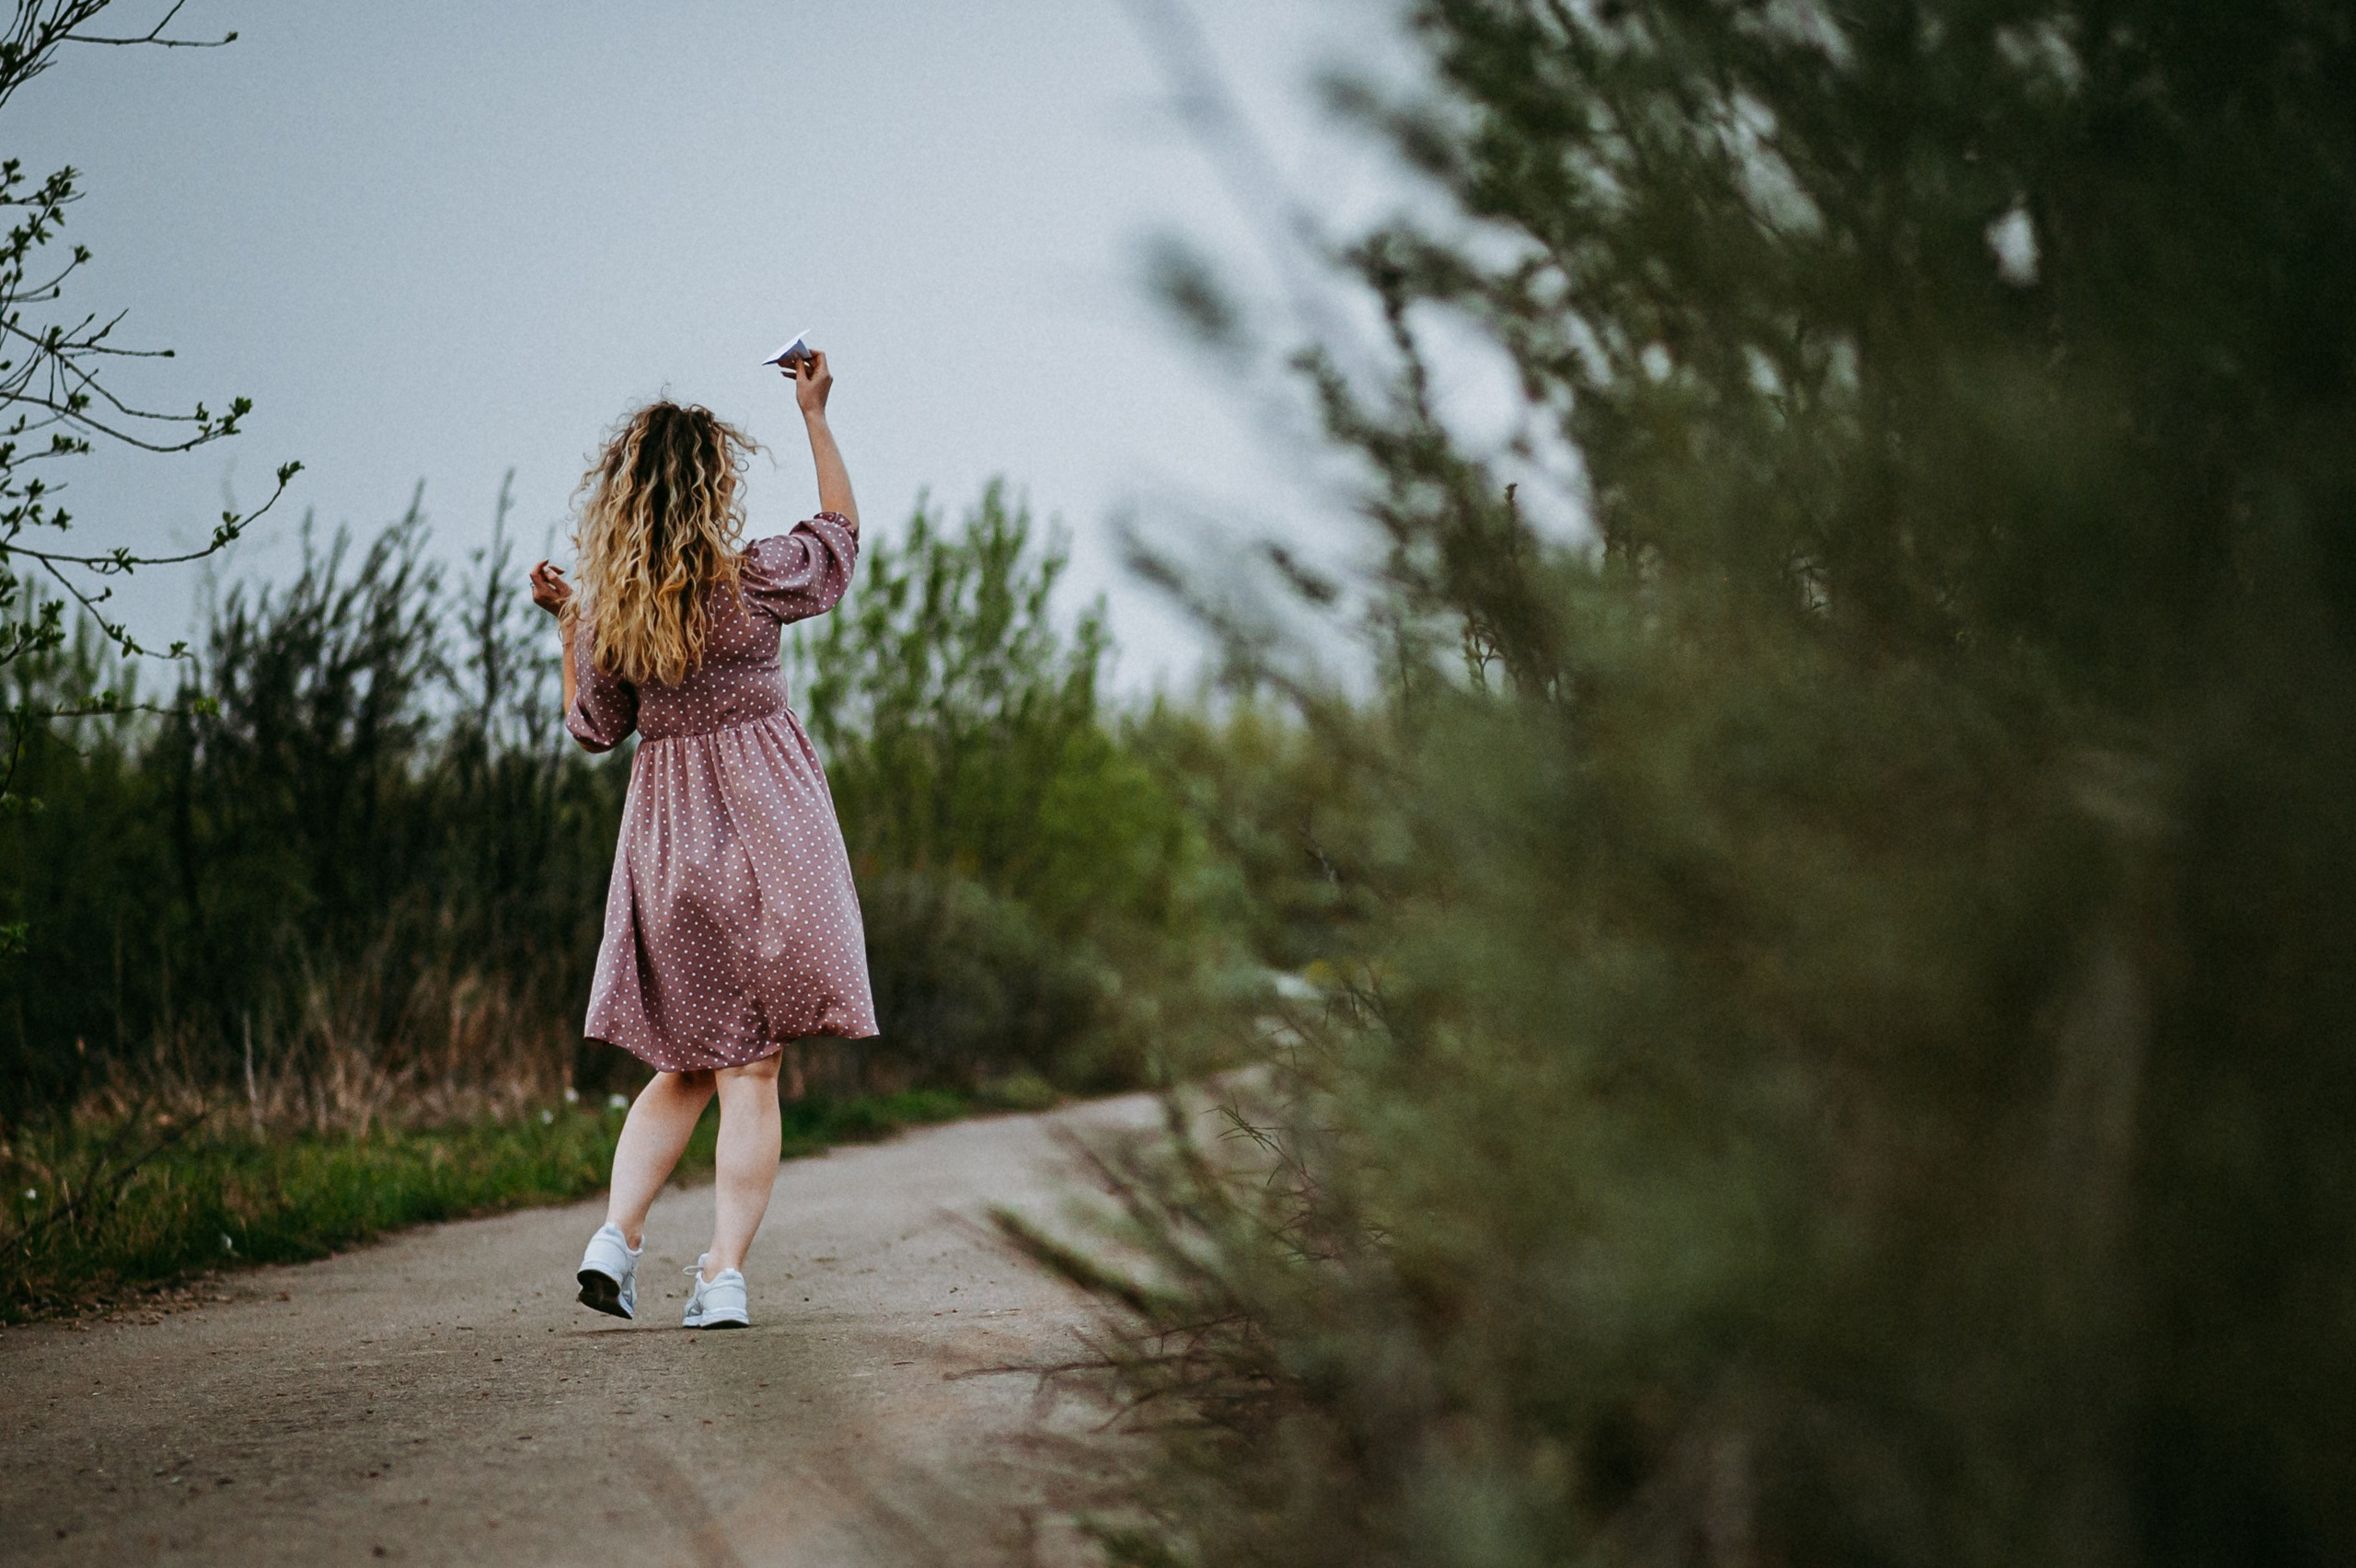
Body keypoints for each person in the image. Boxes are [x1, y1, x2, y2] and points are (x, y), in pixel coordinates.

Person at [528, 351, 877, 1330]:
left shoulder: (615, 617)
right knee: (751, 1070)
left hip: (669, 853)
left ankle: (616, 1235)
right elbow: (838, 540)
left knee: (684, 1063)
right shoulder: (753, 579)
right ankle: (721, 1272)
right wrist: (814, 415)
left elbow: (596, 728)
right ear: (712, 487)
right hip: (774, 843)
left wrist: (568, 627)